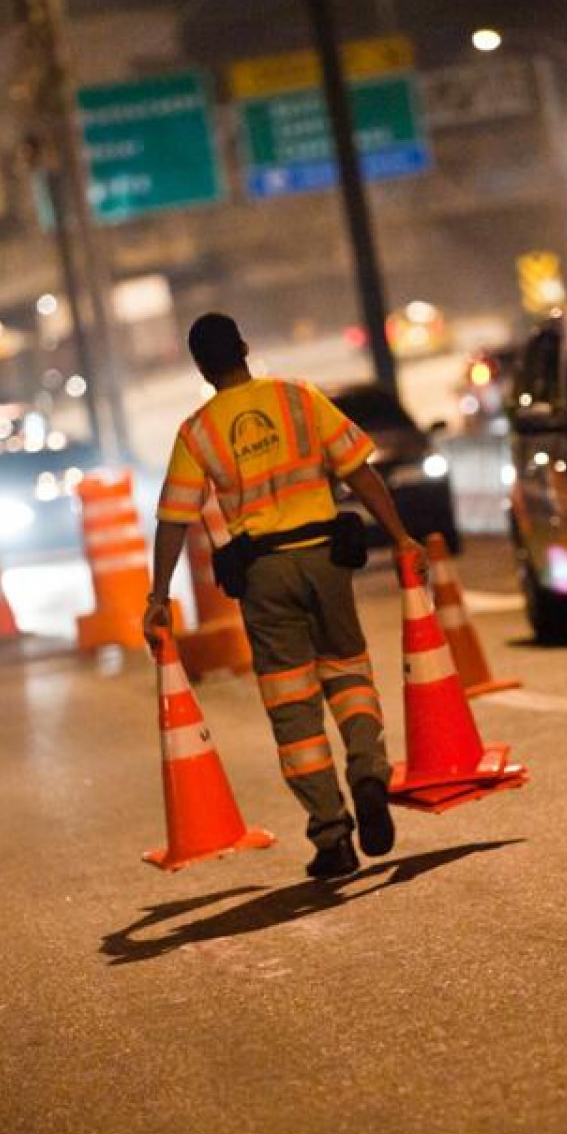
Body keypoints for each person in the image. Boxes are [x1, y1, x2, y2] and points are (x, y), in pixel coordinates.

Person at [143, 312, 424, 881]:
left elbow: (175, 519)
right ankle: (368, 771)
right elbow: (360, 473)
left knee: (292, 706)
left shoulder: (198, 431)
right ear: (245, 347)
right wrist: (400, 537)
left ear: (200, 366)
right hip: (324, 556)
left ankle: (333, 837)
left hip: (265, 575)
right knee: (348, 673)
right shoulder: (298, 397)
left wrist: (158, 594)